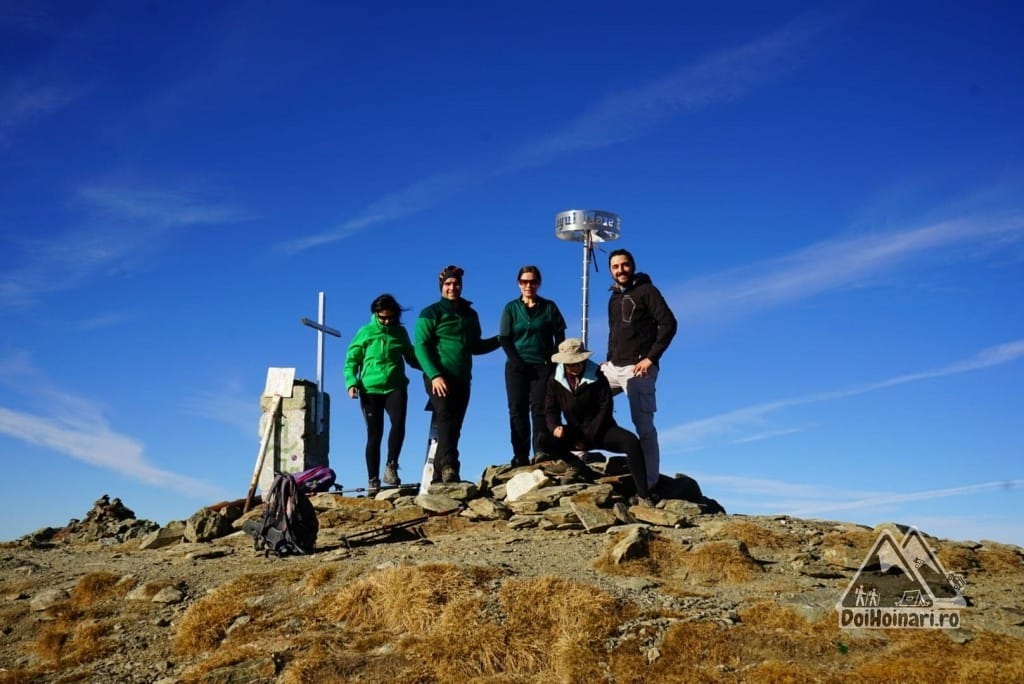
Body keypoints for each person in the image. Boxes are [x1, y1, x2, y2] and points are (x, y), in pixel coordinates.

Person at [540, 338, 653, 505]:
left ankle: (643, 495)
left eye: (578, 362)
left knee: (632, 442)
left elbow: (604, 408)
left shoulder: (598, 376)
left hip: (602, 430)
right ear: (564, 363)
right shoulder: (554, 380)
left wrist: (587, 439)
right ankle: (575, 465)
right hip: (575, 433)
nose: (575, 366)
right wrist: (554, 425)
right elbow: (550, 408)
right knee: (543, 439)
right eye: (571, 364)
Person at [415, 265, 501, 483]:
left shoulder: (470, 314)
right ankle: (450, 466)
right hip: (439, 375)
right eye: (448, 284)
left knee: (455, 424)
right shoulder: (430, 313)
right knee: (445, 418)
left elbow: (475, 346)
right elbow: (421, 347)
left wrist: (502, 339)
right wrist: (434, 374)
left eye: (456, 284)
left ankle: (437, 474)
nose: (452, 287)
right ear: (441, 287)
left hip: (462, 377)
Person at [603, 248, 677, 493]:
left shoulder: (647, 291)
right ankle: (578, 454)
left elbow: (668, 323)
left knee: (643, 426)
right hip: (614, 367)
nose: (620, 270)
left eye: (624, 265)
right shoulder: (613, 297)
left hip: (639, 369)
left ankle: (648, 481)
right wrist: (607, 361)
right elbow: (614, 334)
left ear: (632, 265)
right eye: (615, 267)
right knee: (584, 392)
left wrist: (650, 358)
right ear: (610, 270)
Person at [344, 294, 420, 494]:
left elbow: (412, 358)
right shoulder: (365, 332)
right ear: (376, 314)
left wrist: (432, 369)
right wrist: (351, 382)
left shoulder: (400, 333)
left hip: (396, 386)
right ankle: (373, 480)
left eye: (390, 317)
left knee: (398, 423)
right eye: (382, 317)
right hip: (370, 389)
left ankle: (391, 466)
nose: (386, 321)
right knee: (374, 434)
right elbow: (352, 360)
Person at [499, 265, 567, 467]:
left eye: (533, 281)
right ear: (518, 284)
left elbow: (560, 333)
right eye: (524, 281)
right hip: (516, 366)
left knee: (540, 408)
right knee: (517, 409)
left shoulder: (549, 307)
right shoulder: (511, 308)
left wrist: (555, 359)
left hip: (543, 365)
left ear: (538, 283)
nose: (528, 285)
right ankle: (520, 454)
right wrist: (516, 361)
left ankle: (541, 450)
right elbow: (504, 338)